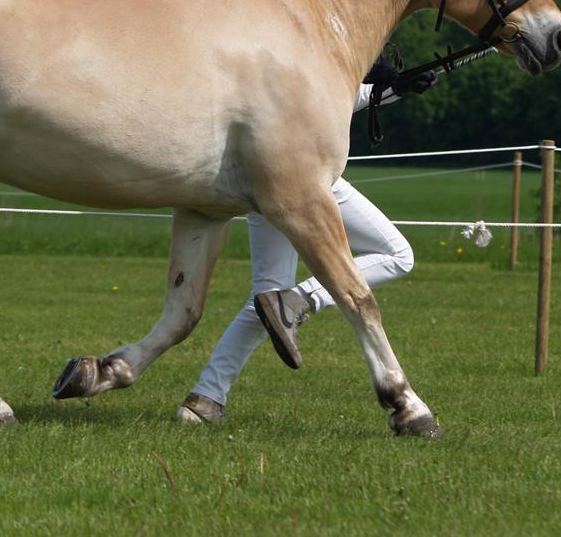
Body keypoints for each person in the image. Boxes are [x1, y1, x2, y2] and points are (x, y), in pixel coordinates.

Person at [176, 61, 436, 424]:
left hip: (264, 185)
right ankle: (301, 300)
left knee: (266, 298)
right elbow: (318, 107)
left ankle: (205, 399)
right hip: (307, 183)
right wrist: (385, 88)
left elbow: (332, 101)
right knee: (397, 254)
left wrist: (391, 90)